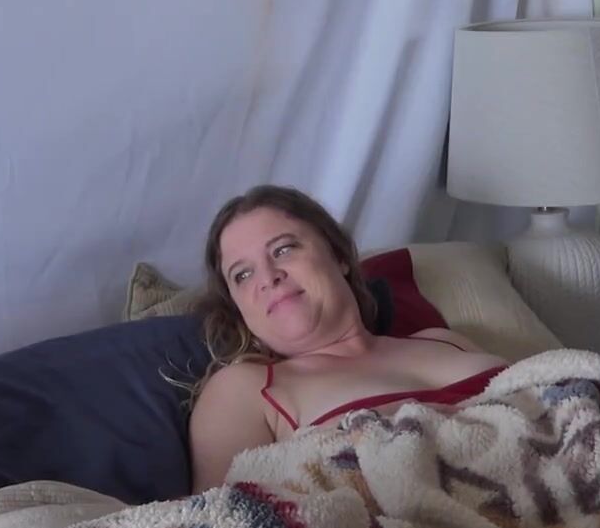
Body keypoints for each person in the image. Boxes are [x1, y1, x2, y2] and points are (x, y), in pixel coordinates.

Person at [188, 185, 507, 491]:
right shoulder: (243, 388)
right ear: (237, 307)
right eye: (242, 274)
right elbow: (218, 516)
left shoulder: (443, 339)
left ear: (339, 255)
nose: (269, 277)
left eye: (283, 250)